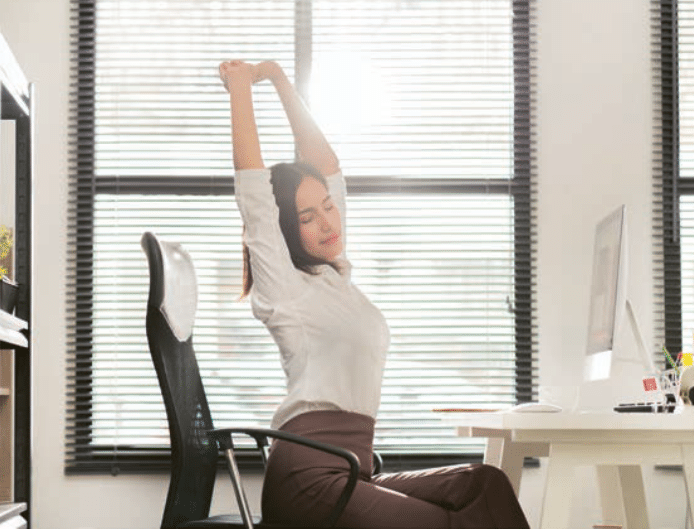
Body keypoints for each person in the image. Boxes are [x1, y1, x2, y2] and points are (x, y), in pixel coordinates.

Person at [219, 59, 530, 529]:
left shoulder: (337, 278)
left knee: (482, 484)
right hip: (308, 480)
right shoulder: (283, 288)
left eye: (328, 207)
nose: (328, 221)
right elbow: (255, 198)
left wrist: (281, 81)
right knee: (443, 524)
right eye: (307, 218)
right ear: (285, 230)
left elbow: (326, 166)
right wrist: (240, 88)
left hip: (349, 471)